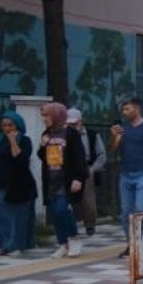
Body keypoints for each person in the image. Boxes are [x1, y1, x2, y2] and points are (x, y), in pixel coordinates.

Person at [110, 98, 143, 257]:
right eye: (123, 110)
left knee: (140, 210)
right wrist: (115, 137)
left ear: (137, 109)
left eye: (127, 109)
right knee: (126, 212)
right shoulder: (123, 127)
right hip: (125, 173)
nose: (124, 112)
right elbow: (112, 149)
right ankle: (131, 244)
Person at [37, 103, 89, 258]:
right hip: (51, 180)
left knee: (61, 210)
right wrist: (42, 146)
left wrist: (78, 178)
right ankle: (62, 244)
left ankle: (74, 238)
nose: (45, 119)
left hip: (65, 180)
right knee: (56, 213)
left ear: (56, 116)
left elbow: (80, 158)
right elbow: (43, 157)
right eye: (43, 116)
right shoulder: (47, 134)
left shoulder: (71, 134)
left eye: (47, 116)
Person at [0, 112, 37, 257]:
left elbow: (20, 160)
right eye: (4, 125)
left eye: (10, 125)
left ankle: (15, 246)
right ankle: (2, 242)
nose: (7, 129)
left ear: (18, 126)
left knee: (16, 217)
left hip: (18, 185)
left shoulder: (25, 141)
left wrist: (13, 141)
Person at [67, 109, 106, 236]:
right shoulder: (65, 135)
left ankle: (90, 224)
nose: (73, 127)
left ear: (81, 121)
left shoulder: (92, 135)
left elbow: (101, 155)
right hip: (69, 168)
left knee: (88, 200)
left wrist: (92, 169)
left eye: (75, 124)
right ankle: (70, 224)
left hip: (86, 167)